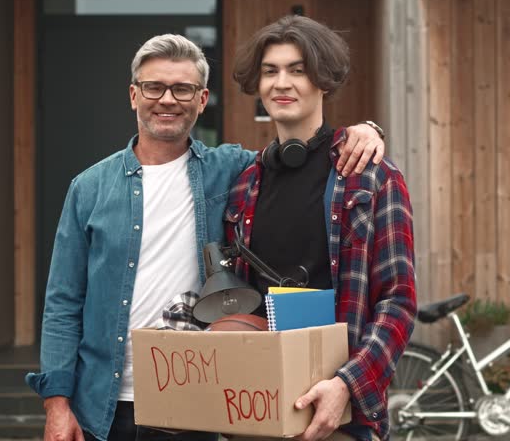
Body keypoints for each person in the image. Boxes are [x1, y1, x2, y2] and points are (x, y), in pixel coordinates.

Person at [25, 33, 387, 441]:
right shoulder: (88, 188)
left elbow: (300, 156)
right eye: (154, 87)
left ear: (201, 100)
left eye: (182, 89)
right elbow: (62, 301)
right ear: (133, 95)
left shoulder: (232, 170)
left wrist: (366, 130)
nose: (167, 99)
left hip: (197, 400)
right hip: (102, 407)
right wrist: (57, 403)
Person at [224, 16, 417, 441]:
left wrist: (346, 384)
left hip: (340, 418)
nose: (282, 83)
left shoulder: (372, 176)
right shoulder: (243, 185)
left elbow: (398, 302)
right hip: (254, 413)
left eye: (298, 70)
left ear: (323, 80)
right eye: (271, 71)